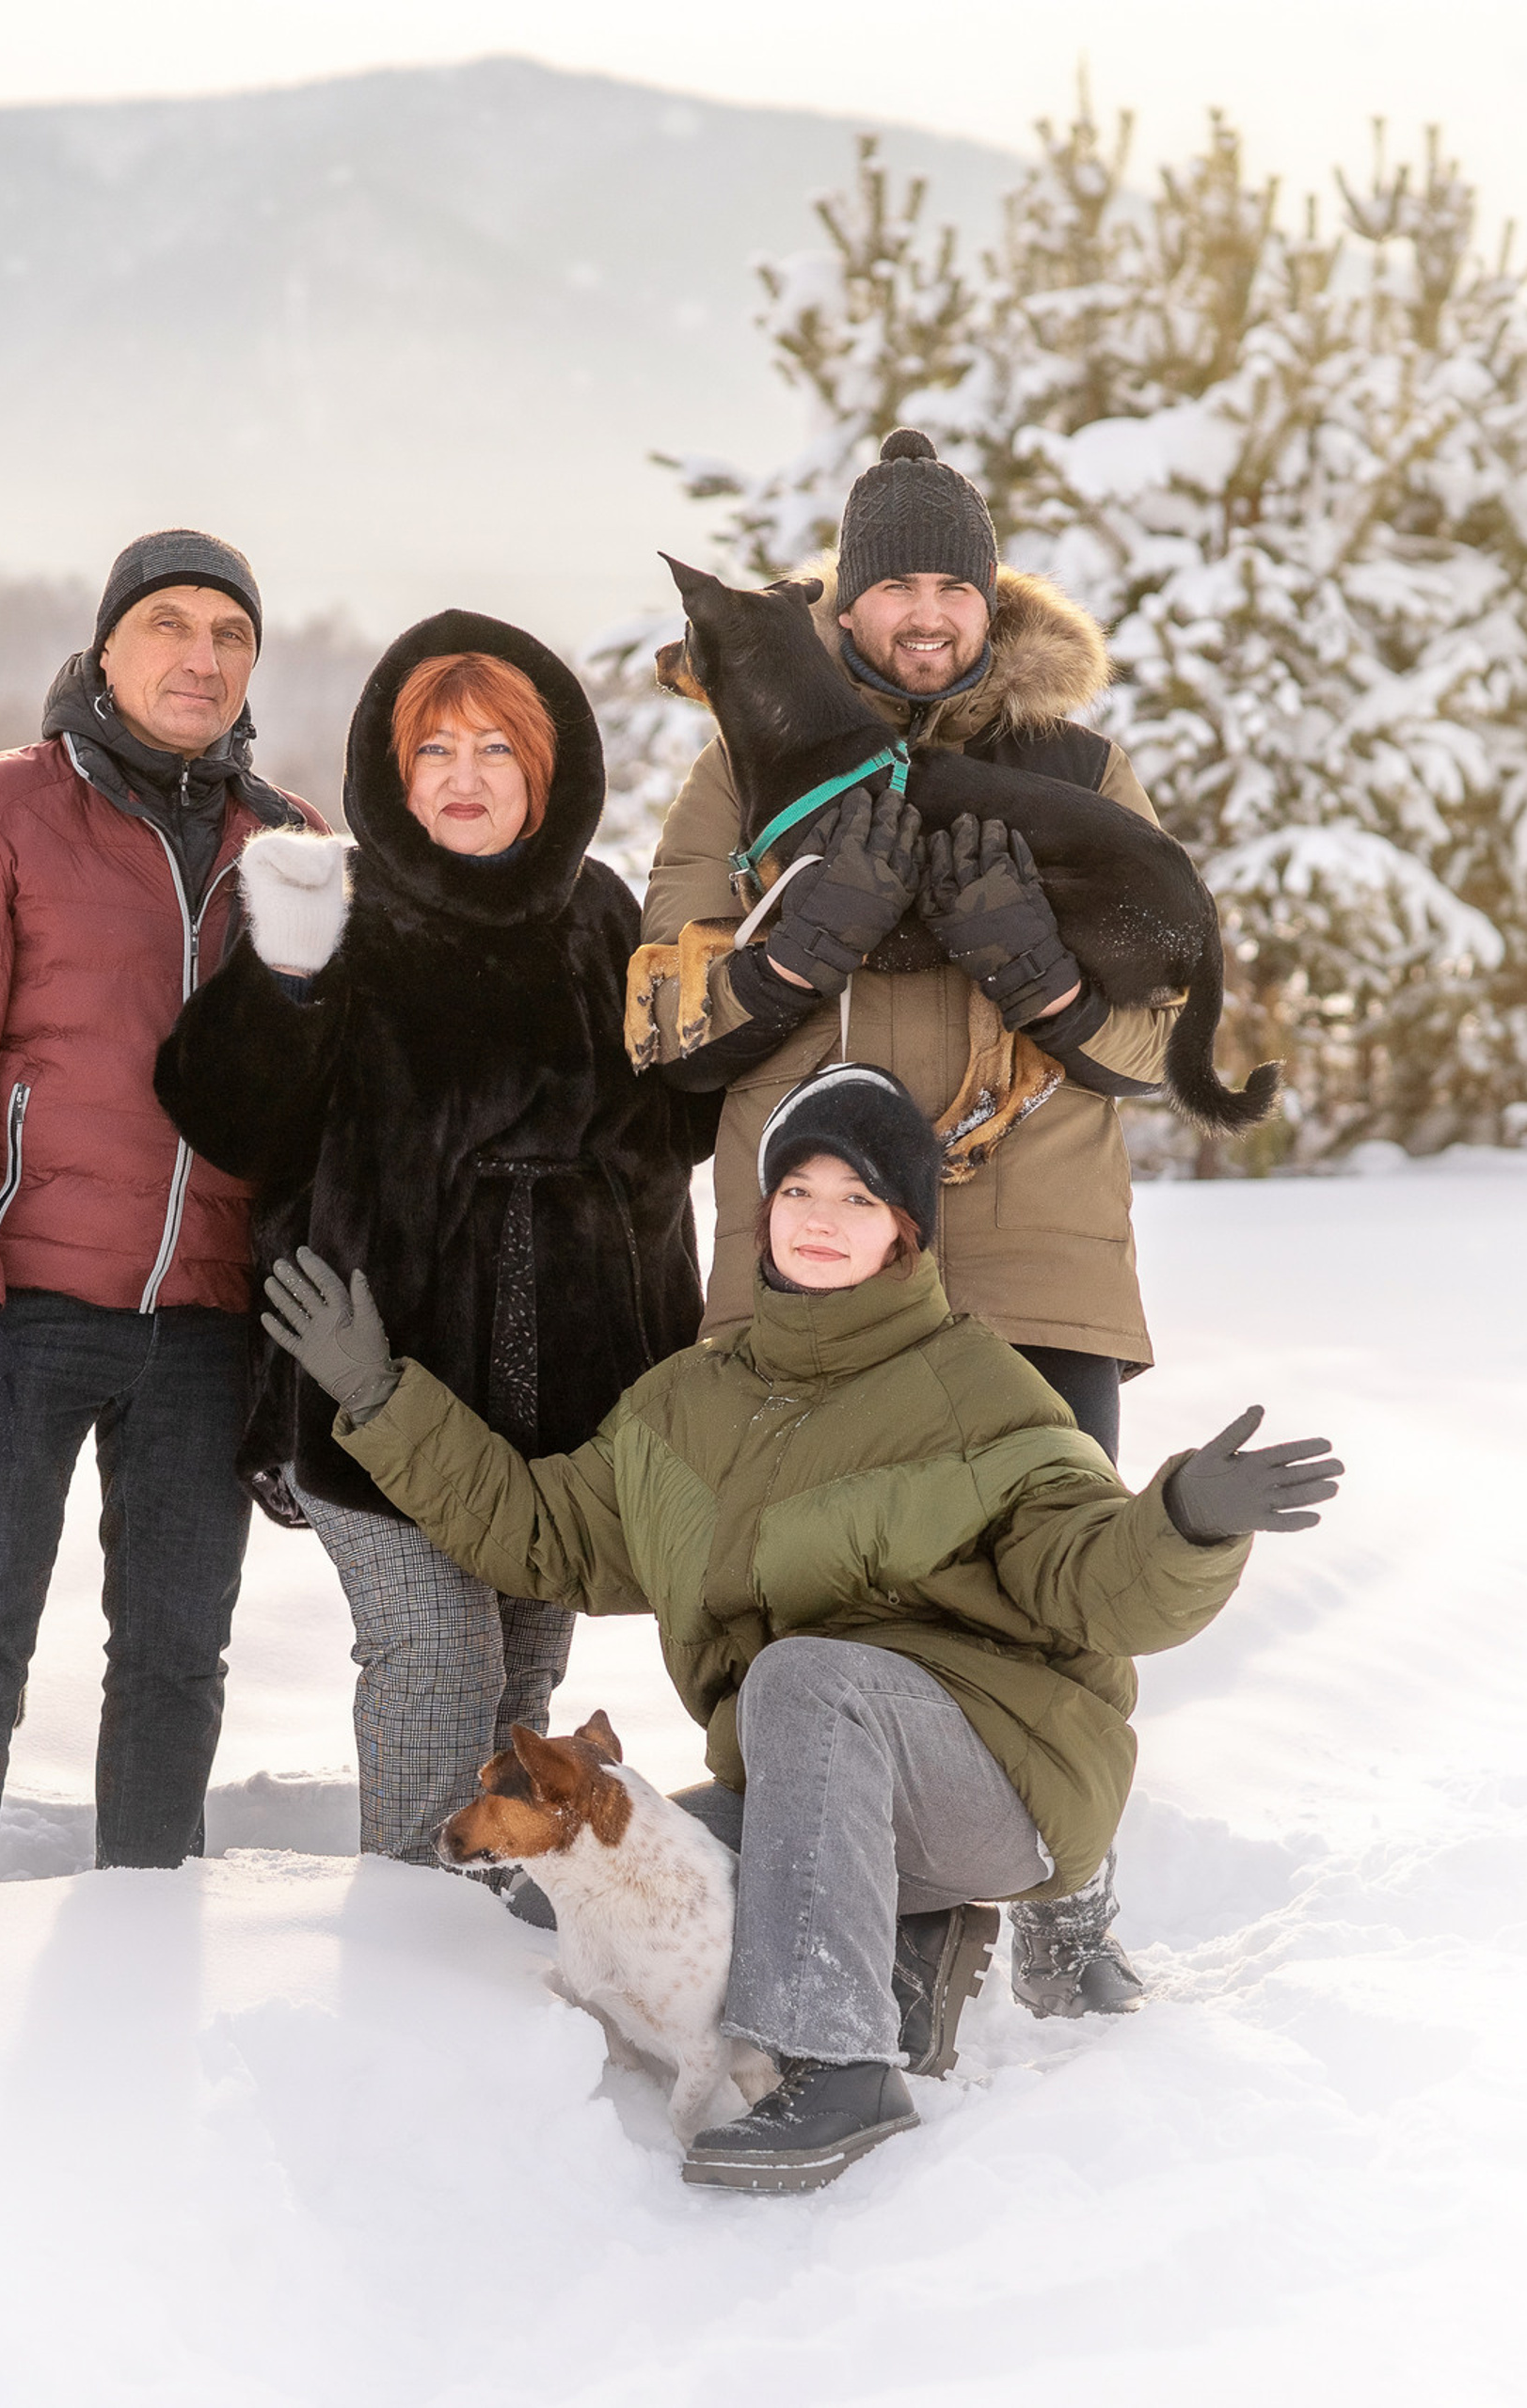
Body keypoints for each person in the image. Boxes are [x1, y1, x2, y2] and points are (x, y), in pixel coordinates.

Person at [262, 1063, 1341, 2190]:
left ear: (905, 1228)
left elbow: (1088, 1578)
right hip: (811, 1786)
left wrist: (1181, 1522)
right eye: (798, 1191)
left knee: (800, 1677)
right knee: (589, 1883)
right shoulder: (687, 1402)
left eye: (857, 1197)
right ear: (763, 1210)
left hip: (999, 1783)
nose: (821, 1219)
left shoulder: (980, 1390)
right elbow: (543, 1533)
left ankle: (837, 2063)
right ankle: (909, 1945)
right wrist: (378, 1395)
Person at [640, 426, 1179, 2016]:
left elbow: (1162, 1025)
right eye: (898, 586)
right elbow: (657, 1015)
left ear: (988, 600)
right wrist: (790, 955)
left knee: (1057, 1579)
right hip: (809, 1249)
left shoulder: (1078, 767)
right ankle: (843, 1881)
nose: (927, 614)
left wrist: (1045, 978)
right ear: (846, 601)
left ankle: (1067, 1894)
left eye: (955, 585)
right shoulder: (747, 763)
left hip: (1031, 1252)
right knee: (795, 1579)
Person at [154, 612, 709, 1873]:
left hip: (573, 1408)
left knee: (521, 1678)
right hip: (372, 1381)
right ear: (393, 774)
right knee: (435, 1646)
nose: (465, 777)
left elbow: (678, 1132)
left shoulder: (600, 914)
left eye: (495, 749)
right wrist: (285, 979)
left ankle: (501, 1932)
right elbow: (230, 1120)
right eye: (435, 750)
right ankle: (410, 1930)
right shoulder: (344, 911)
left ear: (546, 769)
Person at [0, 531, 325, 1883]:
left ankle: (144, 1937)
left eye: (231, 634)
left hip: (205, 1329)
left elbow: (317, 1108)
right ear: (107, 645)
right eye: (169, 623)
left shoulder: (290, 847)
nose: (202, 656)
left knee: (178, 1658)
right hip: (20, 1313)